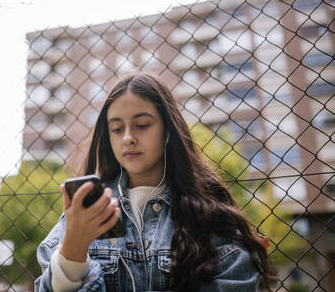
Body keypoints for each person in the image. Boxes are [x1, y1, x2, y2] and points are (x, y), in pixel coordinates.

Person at [35, 71, 275, 292]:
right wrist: (73, 249)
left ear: (168, 130)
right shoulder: (87, 210)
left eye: (142, 125)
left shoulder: (208, 214)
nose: (128, 138)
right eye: (117, 129)